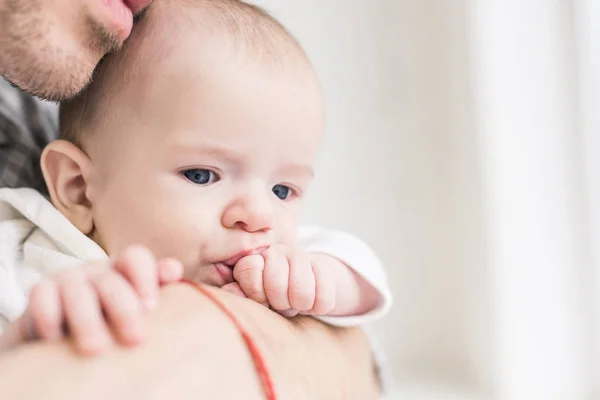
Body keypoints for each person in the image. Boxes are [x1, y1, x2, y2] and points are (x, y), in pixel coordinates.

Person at [0, 0, 390, 397]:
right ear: (78, 189)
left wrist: (320, 281)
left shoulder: (271, 265)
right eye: (202, 175)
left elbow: (362, 275)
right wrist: (33, 332)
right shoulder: (23, 260)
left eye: (283, 191)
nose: (258, 214)